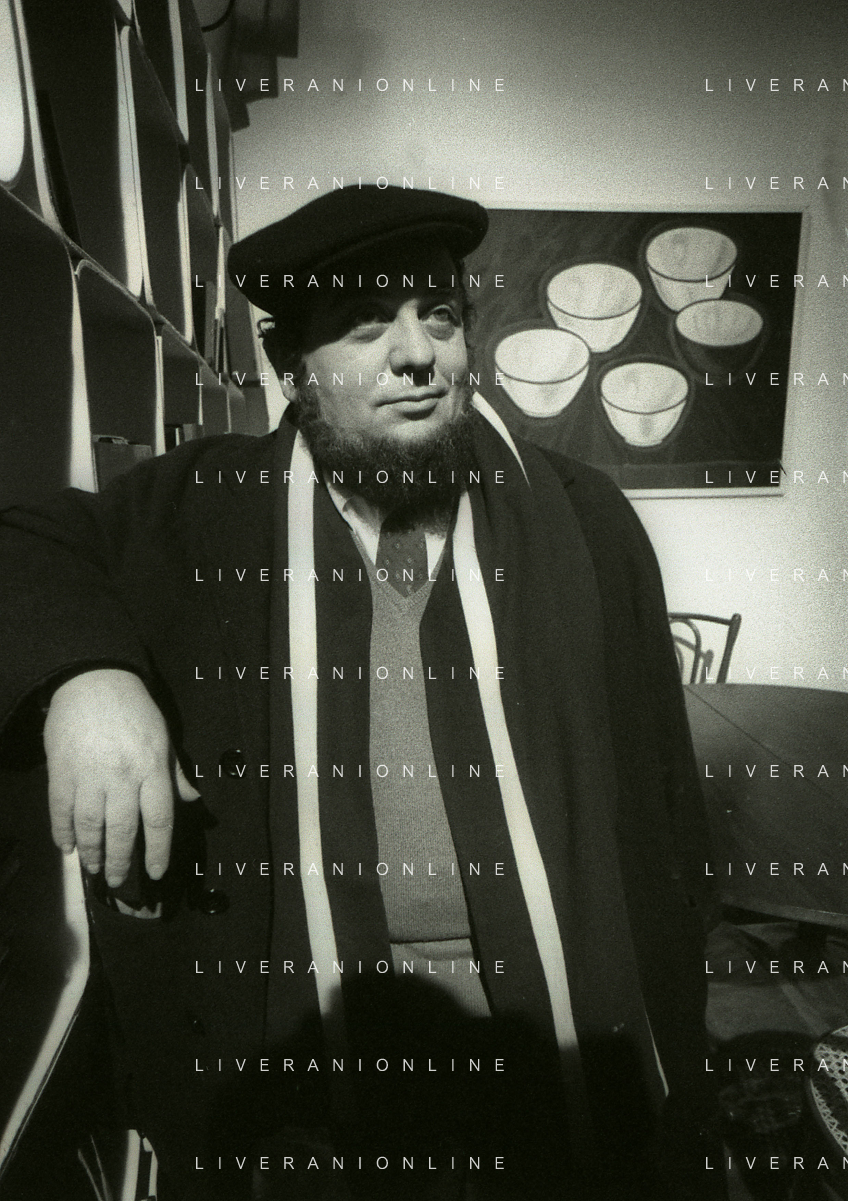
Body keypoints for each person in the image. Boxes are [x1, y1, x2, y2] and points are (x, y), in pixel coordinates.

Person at [0, 186, 724, 1200]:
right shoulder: (204, 510)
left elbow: (662, 810)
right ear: (287, 362)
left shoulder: (581, 518)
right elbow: (24, 545)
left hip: (557, 1041)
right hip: (311, 1053)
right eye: (364, 322)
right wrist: (89, 679)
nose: (418, 353)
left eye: (440, 315)